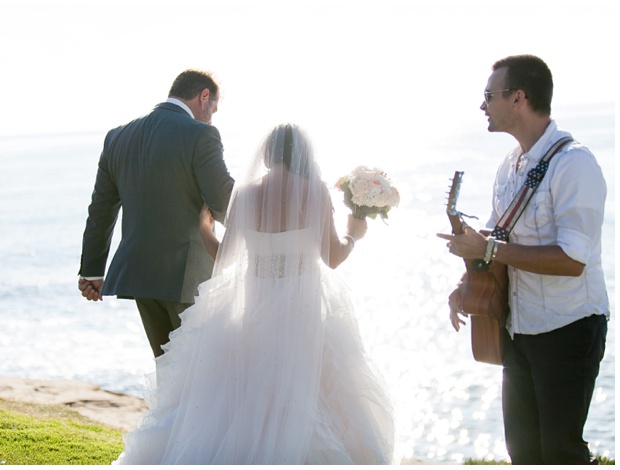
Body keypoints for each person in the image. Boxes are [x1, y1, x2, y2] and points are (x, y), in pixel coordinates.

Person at [113, 123, 398, 464]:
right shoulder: (315, 192)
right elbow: (333, 258)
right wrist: (354, 235)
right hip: (302, 313)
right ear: (305, 156)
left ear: (267, 153)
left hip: (255, 311)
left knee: (251, 390)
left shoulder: (246, 194)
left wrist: (205, 230)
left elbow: (225, 256)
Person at [438, 55, 609, 465]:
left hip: (569, 330)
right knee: (524, 455)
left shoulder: (575, 164)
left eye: (489, 96)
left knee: (561, 453)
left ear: (518, 98)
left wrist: (489, 250)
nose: (482, 106)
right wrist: (467, 285)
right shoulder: (508, 166)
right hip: (519, 329)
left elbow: (573, 260)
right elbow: (497, 240)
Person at [78, 69, 234, 357]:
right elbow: (225, 203)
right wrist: (270, 228)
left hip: (141, 275)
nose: (212, 117)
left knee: (168, 371)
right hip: (189, 277)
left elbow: (101, 209)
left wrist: (92, 271)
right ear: (204, 97)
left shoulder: (118, 137)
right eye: (213, 109)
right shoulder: (201, 134)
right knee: (199, 370)